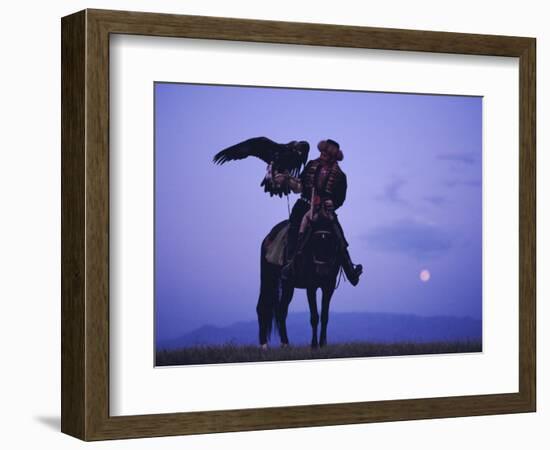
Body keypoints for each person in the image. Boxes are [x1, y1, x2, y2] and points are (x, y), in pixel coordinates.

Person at [276, 139, 363, 286]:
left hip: (324, 210)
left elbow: (341, 198)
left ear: (333, 157)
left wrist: (332, 203)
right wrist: (287, 181)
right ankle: (289, 264)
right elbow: (300, 185)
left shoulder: (341, 176)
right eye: (322, 152)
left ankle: (350, 271)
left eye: (327, 154)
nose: (323, 155)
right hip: (304, 205)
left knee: (338, 235)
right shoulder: (311, 165)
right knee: (293, 228)